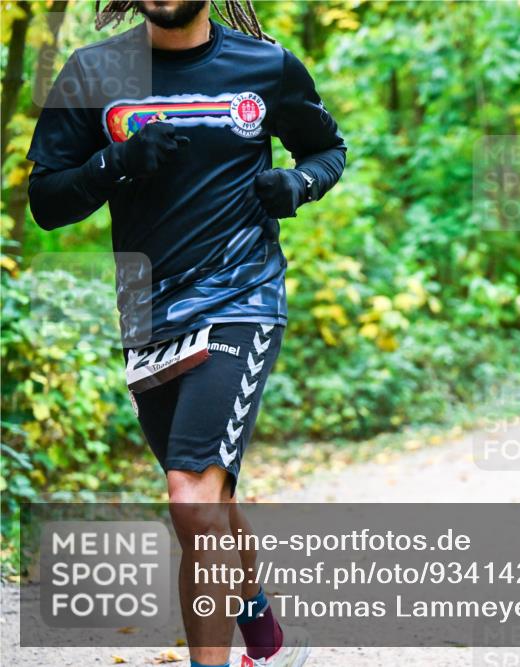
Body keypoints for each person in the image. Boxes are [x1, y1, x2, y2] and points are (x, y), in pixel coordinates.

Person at [26, 2, 346, 665]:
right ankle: (262, 628)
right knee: (210, 500)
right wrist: (116, 163)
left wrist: (300, 182)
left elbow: (327, 148)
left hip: (241, 297)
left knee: (190, 497)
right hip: (146, 316)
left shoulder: (266, 66)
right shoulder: (94, 72)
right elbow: (48, 201)